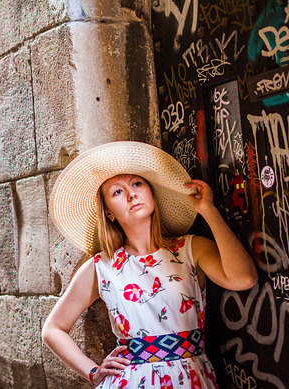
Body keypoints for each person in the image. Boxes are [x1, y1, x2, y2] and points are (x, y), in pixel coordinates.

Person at [42, 141, 258, 388]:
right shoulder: (101, 267)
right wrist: (93, 371)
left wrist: (207, 211)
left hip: (191, 379)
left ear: (151, 192)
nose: (131, 194)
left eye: (137, 183)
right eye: (117, 192)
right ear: (109, 213)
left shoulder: (190, 248)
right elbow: (53, 329)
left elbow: (244, 279)